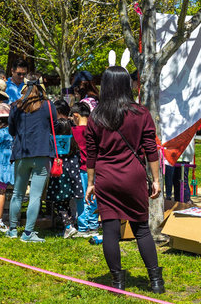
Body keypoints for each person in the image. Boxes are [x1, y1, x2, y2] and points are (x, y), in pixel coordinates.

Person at [85, 66, 164, 291]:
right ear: (127, 86)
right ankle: (156, 281)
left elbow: (92, 154)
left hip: (106, 178)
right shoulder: (141, 114)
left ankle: (117, 282)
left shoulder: (96, 116)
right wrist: (156, 179)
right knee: (141, 229)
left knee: (110, 230)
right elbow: (151, 149)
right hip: (134, 177)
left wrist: (91, 184)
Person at [6, 74, 55, 242]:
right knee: (35, 196)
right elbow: (54, 125)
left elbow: (11, 131)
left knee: (17, 194)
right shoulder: (48, 105)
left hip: (21, 154)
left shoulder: (15, 106)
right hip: (42, 154)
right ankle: (28, 233)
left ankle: (12, 230)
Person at [46, 101, 84, 236]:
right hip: (72, 170)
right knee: (67, 199)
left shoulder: (54, 131)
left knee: (58, 200)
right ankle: (71, 224)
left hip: (58, 170)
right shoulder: (72, 129)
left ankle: (68, 225)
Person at [71, 101, 99, 234]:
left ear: (76, 115)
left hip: (82, 169)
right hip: (96, 168)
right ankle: (94, 224)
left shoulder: (74, 131)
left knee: (82, 197)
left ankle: (83, 226)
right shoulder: (95, 131)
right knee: (94, 197)